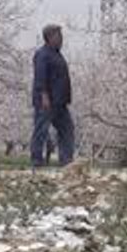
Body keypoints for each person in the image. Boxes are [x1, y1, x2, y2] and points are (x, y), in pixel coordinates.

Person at [30, 23, 74, 167]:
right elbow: (40, 76)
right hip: (47, 100)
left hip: (60, 102)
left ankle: (66, 160)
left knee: (67, 129)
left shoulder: (57, 54)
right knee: (41, 130)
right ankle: (36, 160)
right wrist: (44, 95)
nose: (61, 39)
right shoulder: (43, 54)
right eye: (58, 35)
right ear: (49, 37)